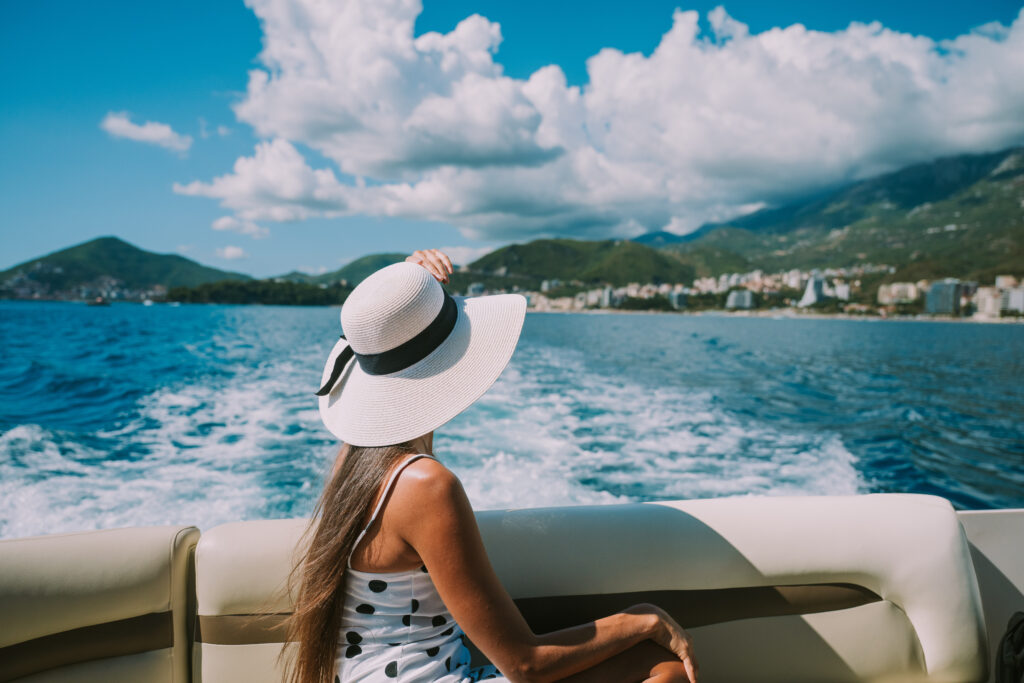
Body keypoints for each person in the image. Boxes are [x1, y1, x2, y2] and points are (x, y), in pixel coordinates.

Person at [284, 249, 698, 683]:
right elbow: (524, 665)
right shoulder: (426, 485)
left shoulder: (353, 466)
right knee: (663, 669)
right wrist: (642, 618)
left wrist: (406, 297)